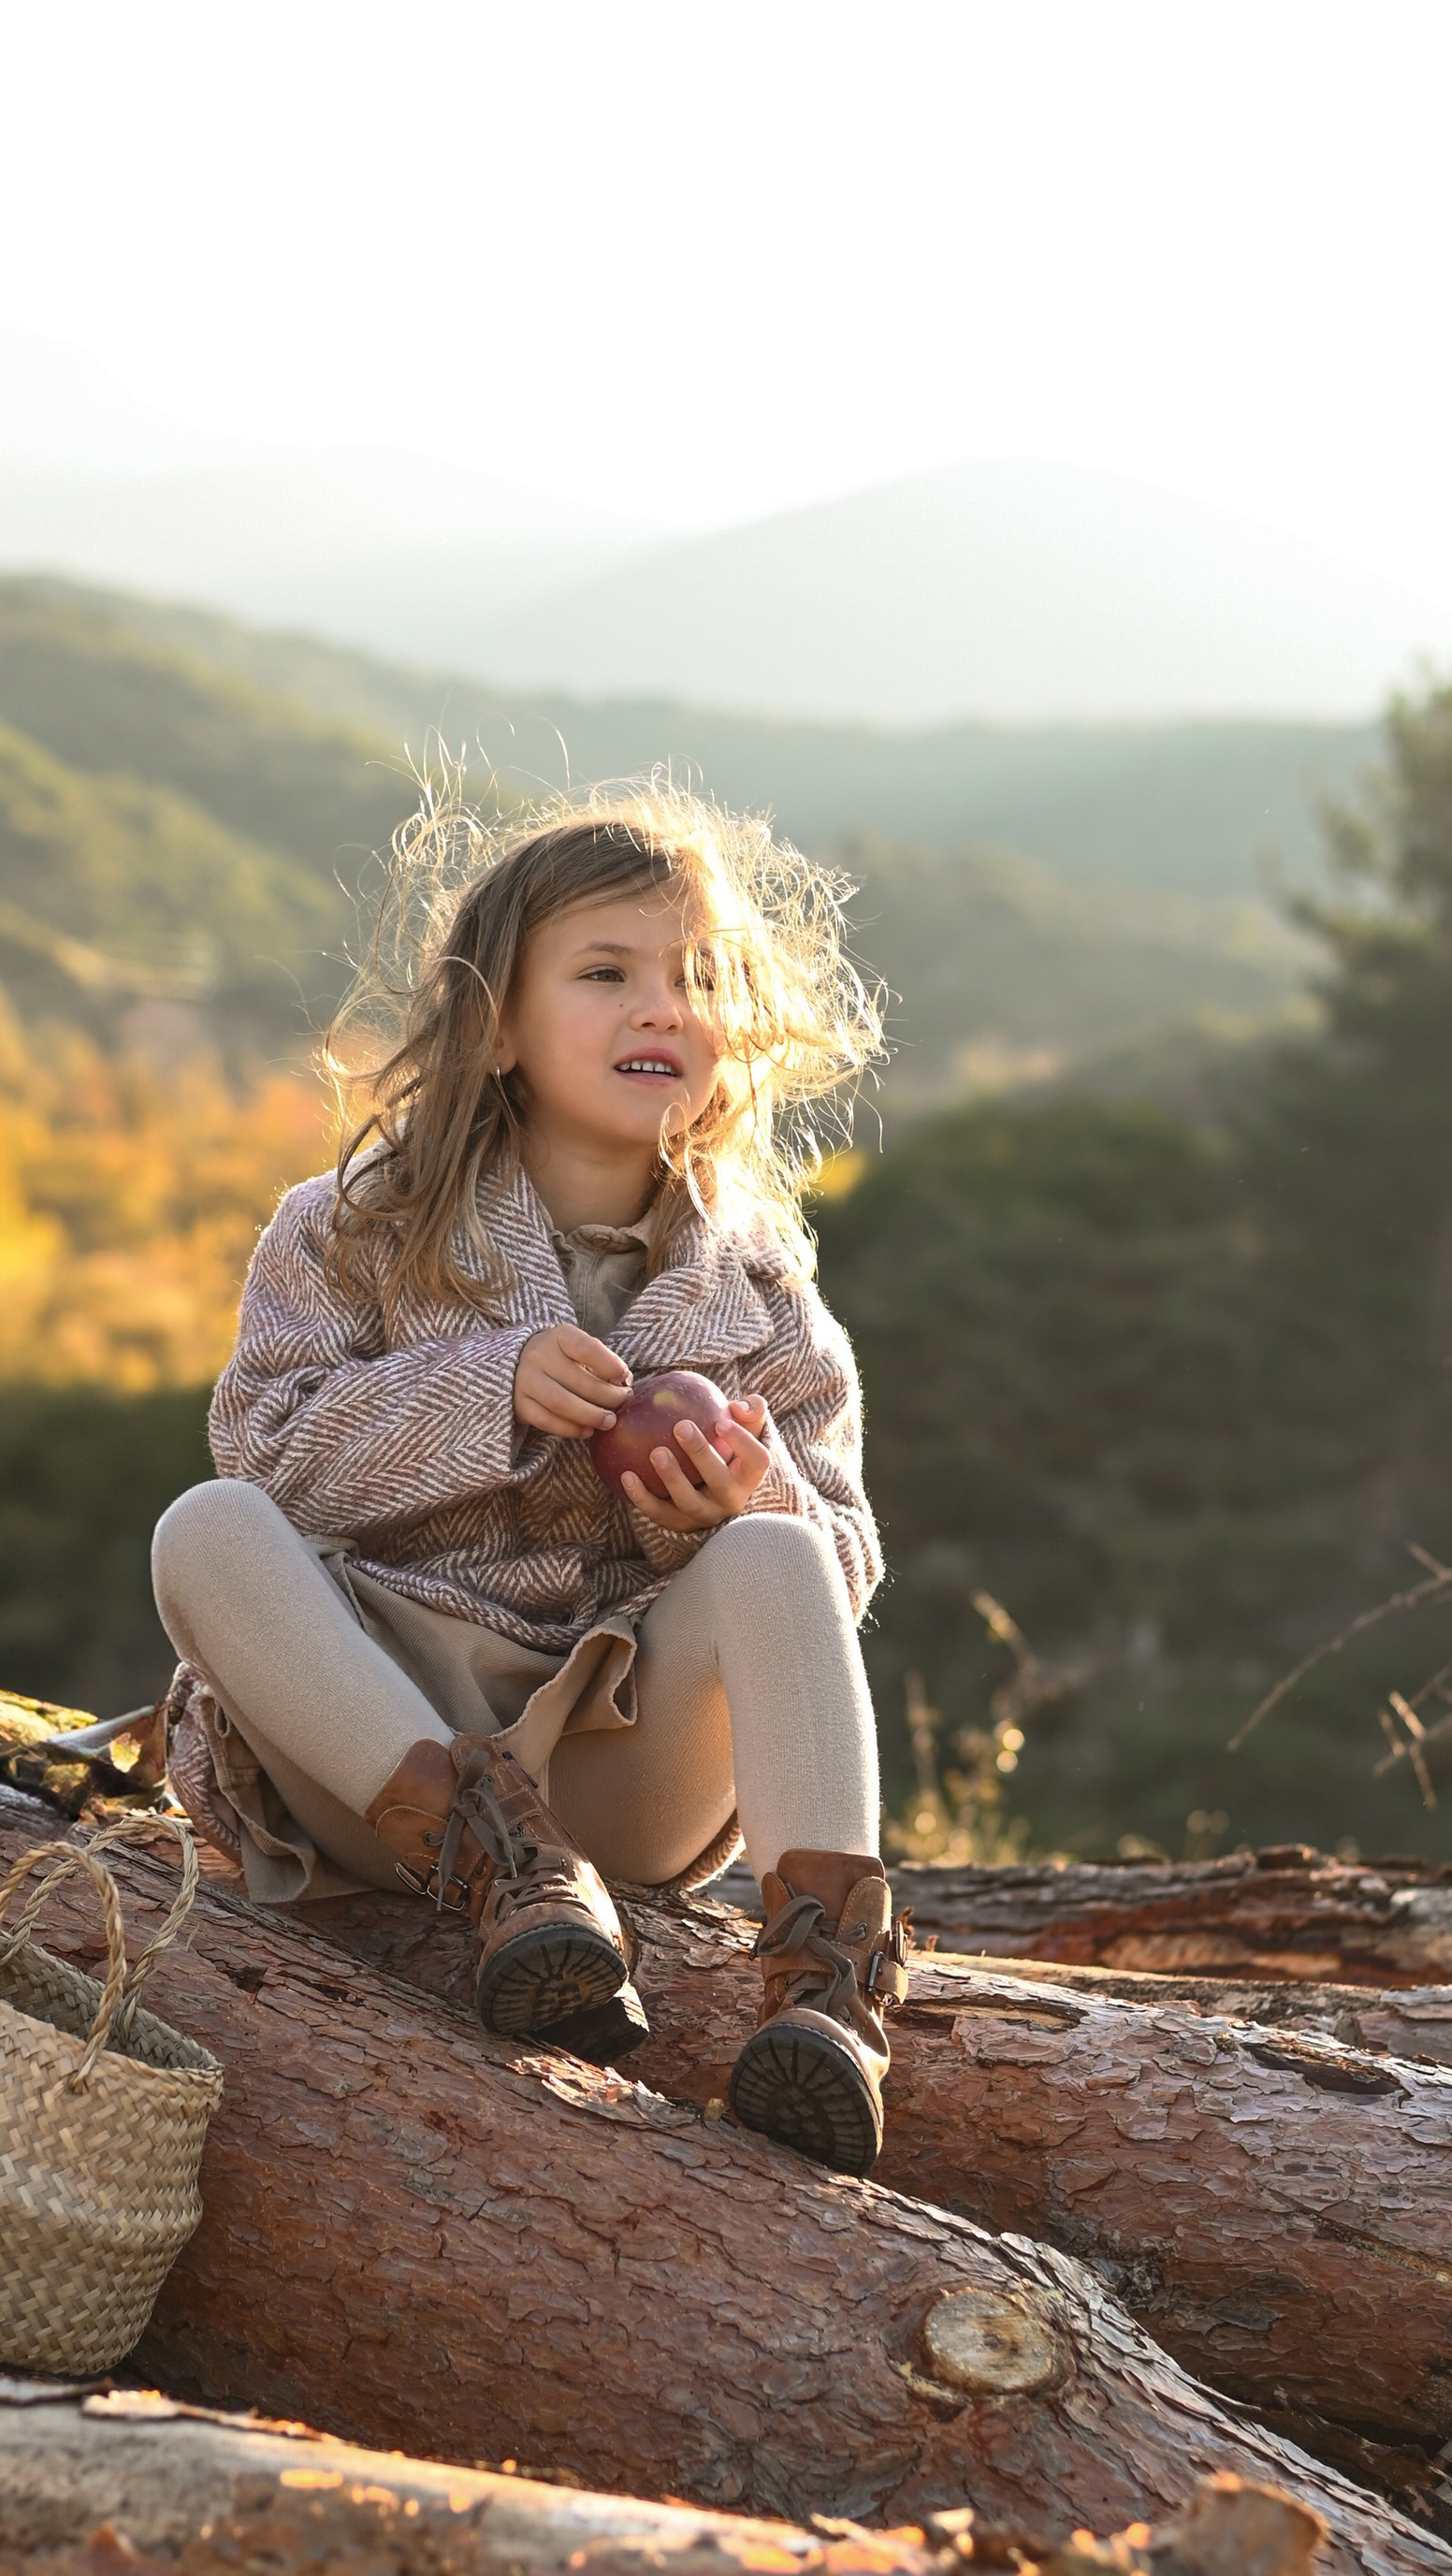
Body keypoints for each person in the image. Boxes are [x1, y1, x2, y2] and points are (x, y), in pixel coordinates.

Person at [150, 788, 907, 2166]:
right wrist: (478, 1384)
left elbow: (844, 1565)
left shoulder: (764, 1298)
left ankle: (825, 1998)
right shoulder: (352, 1232)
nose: (661, 1008)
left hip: (625, 1764)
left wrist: (733, 1516)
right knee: (205, 1527)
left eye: (699, 978)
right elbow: (264, 1445)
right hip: (385, 1759)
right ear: (497, 1025)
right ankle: (507, 1867)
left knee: (783, 1556)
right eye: (606, 973)